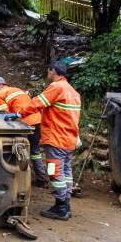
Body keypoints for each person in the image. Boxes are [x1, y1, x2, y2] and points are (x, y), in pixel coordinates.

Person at [16, 61, 81, 220]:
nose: (47, 74)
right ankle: (65, 203)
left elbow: (37, 103)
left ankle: (61, 207)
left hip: (56, 139)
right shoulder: (72, 91)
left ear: (53, 71)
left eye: (48, 71)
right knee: (66, 171)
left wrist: (19, 114)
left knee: (54, 171)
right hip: (69, 139)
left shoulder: (56, 87)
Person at [0, 76, 48, 187]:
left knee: (19, 150)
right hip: (37, 120)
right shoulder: (17, 90)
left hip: (24, 124)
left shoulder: (0, 95)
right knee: (35, 151)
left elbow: (5, 115)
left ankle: (18, 180)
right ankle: (42, 179)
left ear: (1, 84)